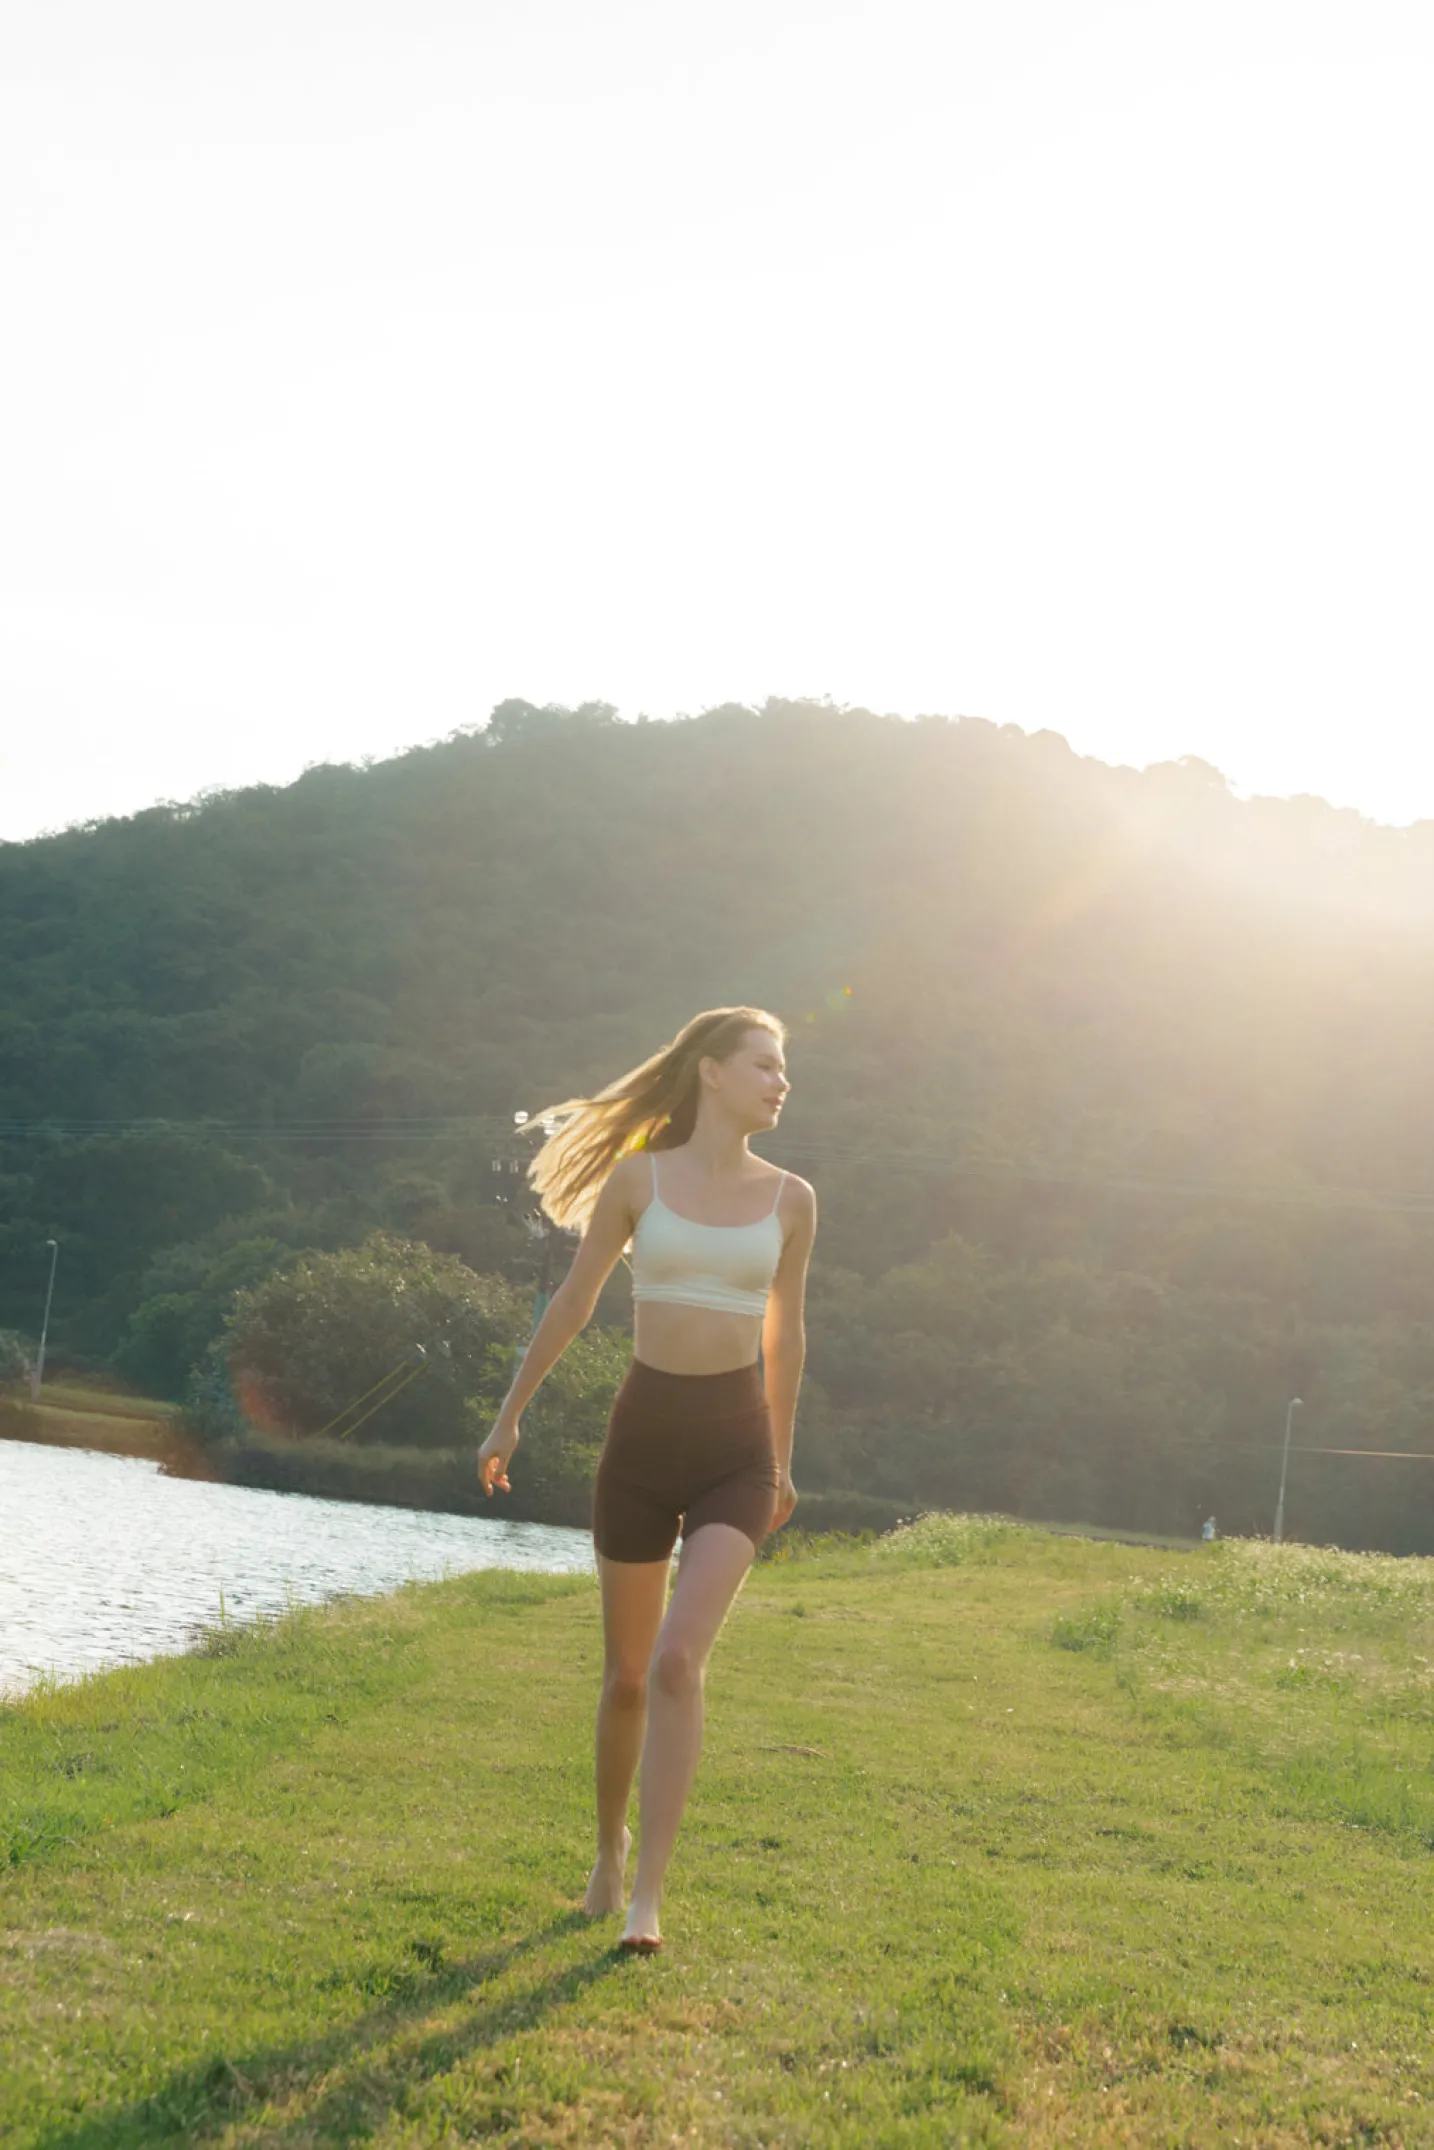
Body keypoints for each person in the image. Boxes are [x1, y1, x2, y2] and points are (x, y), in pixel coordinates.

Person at [477, 1007, 816, 1954]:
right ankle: (608, 1848)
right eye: (765, 1065)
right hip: (640, 1444)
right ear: (710, 1071)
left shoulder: (793, 1199)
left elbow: (785, 1337)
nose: (780, 1082)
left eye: (783, 1070)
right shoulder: (638, 1182)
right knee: (625, 1676)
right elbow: (576, 1301)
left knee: (676, 1662)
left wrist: (782, 1460)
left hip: (736, 1453)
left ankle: (648, 1899)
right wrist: (511, 1413)